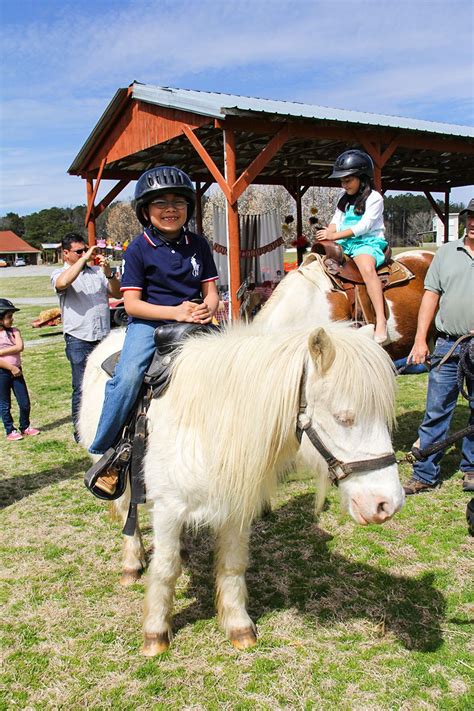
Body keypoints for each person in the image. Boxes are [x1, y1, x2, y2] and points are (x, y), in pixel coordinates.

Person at [88, 166, 219, 494]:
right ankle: (108, 449)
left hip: (194, 321)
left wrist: (208, 308)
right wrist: (175, 311)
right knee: (129, 375)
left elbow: (212, 291)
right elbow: (131, 305)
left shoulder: (198, 244)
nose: (170, 209)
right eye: (161, 202)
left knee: (239, 366)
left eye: (178, 202)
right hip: (150, 323)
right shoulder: (138, 248)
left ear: (188, 207)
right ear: (145, 211)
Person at [403, 197, 474, 495]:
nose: (473, 224)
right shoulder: (446, 253)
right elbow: (430, 296)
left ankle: (471, 469)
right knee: (435, 409)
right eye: (471, 217)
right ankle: (424, 473)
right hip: (448, 344)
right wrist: (421, 339)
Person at [51, 233, 122, 442]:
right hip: (79, 338)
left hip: (103, 336)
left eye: (85, 250)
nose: (84, 254)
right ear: (66, 253)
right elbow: (63, 283)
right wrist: (84, 259)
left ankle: (106, 424)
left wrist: (108, 273)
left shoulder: (97, 273)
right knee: (81, 385)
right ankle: (81, 431)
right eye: (78, 251)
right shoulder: (59, 273)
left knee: (108, 381)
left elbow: (117, 294)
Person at [316, 149, 388, 344]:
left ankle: (380, 320)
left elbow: (363, 226)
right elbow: (335, 221)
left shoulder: (375, 198)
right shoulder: (344, 198)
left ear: (362, 178)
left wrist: (334, 235)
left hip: (367, 242)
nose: (343, 184)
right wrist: (327, 236)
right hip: (346, 242)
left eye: (348, 180)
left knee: (366, 268)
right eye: (342, 181)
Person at [0, 298, 40, 441]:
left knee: (24, 402)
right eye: (9, 317)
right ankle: (10, 430)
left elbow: (19, 347)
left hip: (17, 371)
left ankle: (25, 426)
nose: (12, 319)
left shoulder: (14, 331)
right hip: (3, 373)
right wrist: (11, 367)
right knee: (5, 403)